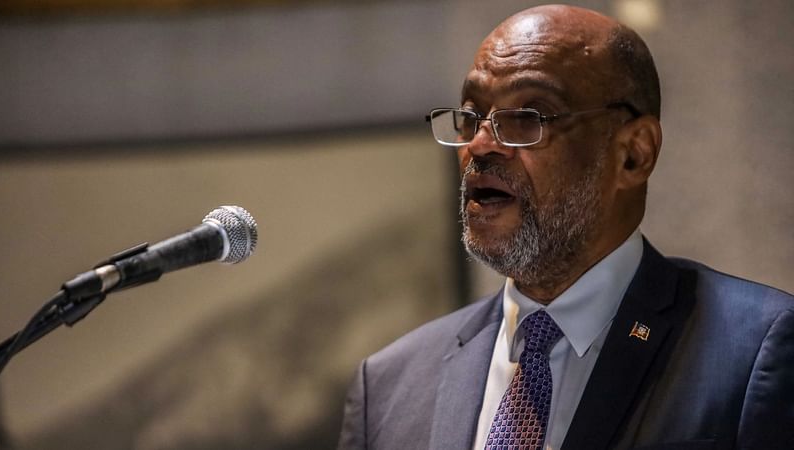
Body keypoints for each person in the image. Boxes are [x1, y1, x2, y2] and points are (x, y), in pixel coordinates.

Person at [338, 5, 794, 450]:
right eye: (472, 115)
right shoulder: (388, 385)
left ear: (634, 153)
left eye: (526, 118)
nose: (480, 144)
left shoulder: (756, 349)